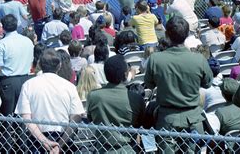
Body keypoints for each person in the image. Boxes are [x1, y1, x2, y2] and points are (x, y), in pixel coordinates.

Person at [144, 16, 213, 153]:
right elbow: (207, 83)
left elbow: (149, 85)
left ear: (167, 34)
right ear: (187, 35)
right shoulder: (199, 59)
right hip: (193, 119)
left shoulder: (155, 59)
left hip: (167, 119)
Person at [15, 49, 85, 153]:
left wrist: (44, 141)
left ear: (40, 64)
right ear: (59, 65)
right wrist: (60, 145)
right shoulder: (69, 87)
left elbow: (27, 119)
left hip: (37, 138)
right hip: (63, 137)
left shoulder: (28, 85)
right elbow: (76, 118)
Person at [0, 14, 33, 152]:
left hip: (8, 82)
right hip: (25, 80)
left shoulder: (2, 44)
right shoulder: (27, 41)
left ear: (3, 27)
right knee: (23, 116)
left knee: (7, 119)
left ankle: (6, 149)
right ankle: (23, 147)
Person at [87, 55, 145, 152]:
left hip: (102, 148)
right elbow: (141, 123)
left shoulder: (93, 96)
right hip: (128, 148)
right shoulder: (136, 98)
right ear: (126, 74)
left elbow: (90, 118)